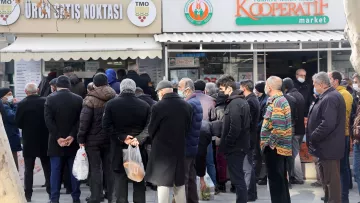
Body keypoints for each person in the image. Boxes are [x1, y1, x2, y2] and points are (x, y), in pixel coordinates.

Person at [102, 79, 150, 203]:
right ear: (134, 89)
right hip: (138, 148)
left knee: (120, 180)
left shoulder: (111, 104)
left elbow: (106, 126)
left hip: (118, 148)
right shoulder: (144, 105)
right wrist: (137, 139)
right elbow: (148, 127)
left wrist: (123, 137)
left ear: (121, 89)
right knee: (138, 180)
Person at [145, 80, 193, 203]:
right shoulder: (186, 105)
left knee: (163, 183)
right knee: (179, 183)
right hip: (180, 148)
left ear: (161, 92)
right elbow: (188, 127)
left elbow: (151, 129)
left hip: (162, 151)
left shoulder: (158, 106)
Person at [77, 73, 116, 203]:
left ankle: (96, 196)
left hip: (92, 140)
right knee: (109, 168)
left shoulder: (90, 99)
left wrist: (81, 137)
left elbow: (84, 121)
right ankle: (111, 195)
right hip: (110, 138)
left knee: (95, 168)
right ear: (107, 83)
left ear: (94, 84)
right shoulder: (114, 97)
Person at [307, 72, 345, 203]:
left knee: (331, 181)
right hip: (325, 147)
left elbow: (327, 124)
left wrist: (313, 136)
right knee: (326, 180)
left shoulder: (330, 97)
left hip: (329, 147)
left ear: (322, 84)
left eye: (315, 84)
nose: (313, 86)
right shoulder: (325, 96)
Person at [44, 75, 83, 203]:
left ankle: (54, 198)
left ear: (56, 86)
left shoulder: (50, 99)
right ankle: (76, 197)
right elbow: (80, 121)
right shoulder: (78, 99)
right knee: (74, 171)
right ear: (69, 86)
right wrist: (72, 135)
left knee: (55, 172)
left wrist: (58, 137)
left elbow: (48, 121)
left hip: (56, 143)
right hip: (73, 142)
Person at [217, 75, 250, 203]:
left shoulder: (235, 103)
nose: (221, 92)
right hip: (238, 146)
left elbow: (235, 127)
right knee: (238, 177)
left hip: (235, 147)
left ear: (229, 88)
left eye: (222, 89)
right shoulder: (240, 101)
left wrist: (228, 144)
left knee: (238, 178)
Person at [15, 83, 51, 202]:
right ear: (38, 90)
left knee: (28, 169)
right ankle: (51, 192)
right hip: (44, 139)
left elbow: (18, 123)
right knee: (47, 167)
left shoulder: (22, 104)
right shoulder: (45, 101)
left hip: (29, 140)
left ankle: (28, 194)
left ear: (26, 92)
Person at [260, 76, 292, 203]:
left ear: (269, 87)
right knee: (280, 180)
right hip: (279, 148)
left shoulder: (278, 102)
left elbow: (278, 128)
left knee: (276, 182)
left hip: (276, 148)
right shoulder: (278, 100)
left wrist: (270, 144)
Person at [328, 71, 353, 203]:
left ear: (335, 80)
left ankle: (344, 198)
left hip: (342, 135)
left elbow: (342, 117)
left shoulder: (344, 95)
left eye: (329, 78)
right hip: (337, 135)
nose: (328, 81)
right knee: (338, 168)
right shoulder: (336, 94)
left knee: (342, 168)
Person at [178, 78, 202, 203]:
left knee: (184, 178)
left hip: (186, 145)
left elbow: (183, 126)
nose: (178, 90)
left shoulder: (189, 104)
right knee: (191, 177)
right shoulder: (195, 102)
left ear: (187, 89)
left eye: (180, 87)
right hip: (192, 145)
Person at [239, 79, 260, 201]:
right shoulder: (252, 99)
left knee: (247, 167)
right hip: (250, 136)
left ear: (245, 87)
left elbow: (249, 121)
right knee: (248, 166)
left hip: (249, 137)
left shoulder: (250, 101)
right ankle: (251, 193)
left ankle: (250, 193)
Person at [282, 78, 306, 185]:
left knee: (294, 154)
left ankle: (298, 177)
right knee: (296, 152)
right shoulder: (300, 95)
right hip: (301, 129)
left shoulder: (290, 97)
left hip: (294, 130)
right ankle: (295, 175)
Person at [194, 80, 216, 187]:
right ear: (205, 90)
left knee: (194, 160)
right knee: (209, 161)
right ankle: (213, 185)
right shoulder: (211, 100)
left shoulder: (190, 99)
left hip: (193, 133)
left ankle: (195, 185)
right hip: (207, 132)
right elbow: (213, 117)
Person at [209, 91, 228, 193]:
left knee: (219, 161)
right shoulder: (228, 108)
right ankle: (225, 183)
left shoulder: (218, 109)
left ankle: (221, 183)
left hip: (218, 139)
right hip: (226, 139)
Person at [0, 88, 21, 169]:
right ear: (2, 96)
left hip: (8, 135)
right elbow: (14, 118)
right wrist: (16, 105)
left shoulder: (6, 105)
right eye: (8, 94)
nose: (11, 96)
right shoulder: (5, 106)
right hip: (10, 136)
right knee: (13, 161)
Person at [254, 81, 268, 184]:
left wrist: (256, 127)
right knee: (258, 155)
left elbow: (263, 119)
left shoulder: (265, 100)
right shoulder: (260, 99)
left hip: (261, 132)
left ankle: (263, 176)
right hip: (259, 131)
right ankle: (258, 175)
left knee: (261, 155)